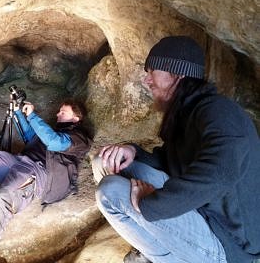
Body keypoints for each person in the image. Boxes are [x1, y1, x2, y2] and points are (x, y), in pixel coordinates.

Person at [92, 36, 260, 263]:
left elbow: (222, 171)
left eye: (152, 71)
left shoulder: (219, 111)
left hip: (231, 245)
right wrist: (133, 151)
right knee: (105, 162)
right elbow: (174, 164)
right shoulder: (187, 112)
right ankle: (166, 249)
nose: (146, 80)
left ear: (178, 74)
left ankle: (162, 257)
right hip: (204, 213)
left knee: (110, 191)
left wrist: (152, 205)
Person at [0, 98, 92, 263]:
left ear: (76, 118)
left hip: (38, 172)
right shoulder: (53, 129)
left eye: (63, 112)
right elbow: (30, 136)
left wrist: (33, 116)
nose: (57, 114)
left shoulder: (80, 138)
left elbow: (53, 142)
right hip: (19, 162)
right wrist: (20, 113)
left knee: (1, 200)